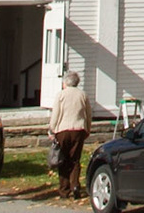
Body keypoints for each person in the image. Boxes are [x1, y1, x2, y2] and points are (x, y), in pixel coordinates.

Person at [48, 70, 93, 199]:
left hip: (63, 130)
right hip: (78, 130)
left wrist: (52, 129)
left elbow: (56, 114)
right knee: (75, 159)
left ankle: (64, 189)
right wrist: (87, 128)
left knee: (62, 159)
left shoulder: (61, 95)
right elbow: (88, 114)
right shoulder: (83, 95)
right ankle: (75, 186)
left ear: (66, 82)